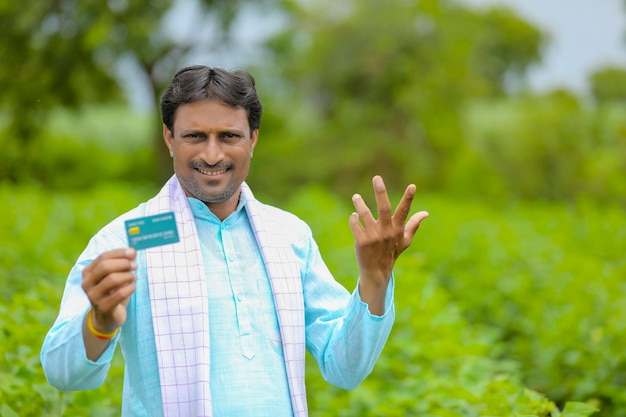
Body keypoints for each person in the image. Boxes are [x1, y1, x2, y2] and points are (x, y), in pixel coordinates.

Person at [41, 65, 429, 417]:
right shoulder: (129, 238)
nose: (213, 154)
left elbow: (344, 365)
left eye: (229, 136)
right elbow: (63, 374)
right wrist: (99, 322)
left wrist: (376, 281)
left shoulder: (288, 234)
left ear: (253, 139)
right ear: (169, 138)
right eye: (195, 136)